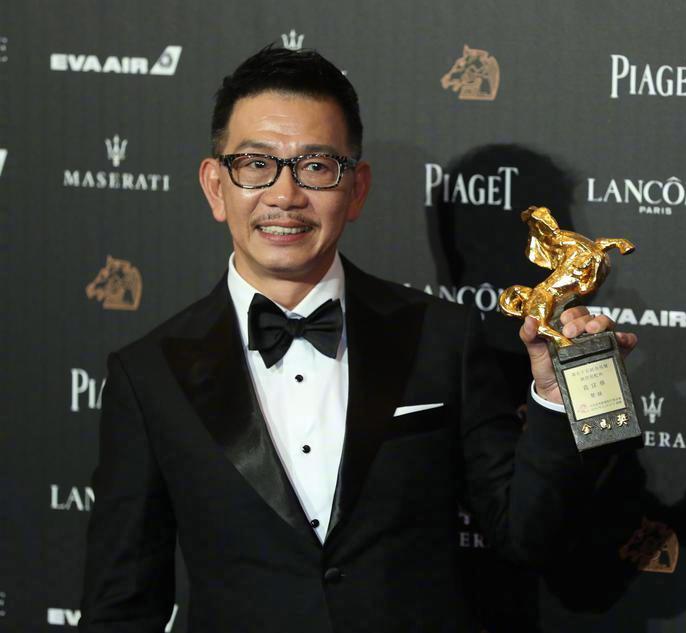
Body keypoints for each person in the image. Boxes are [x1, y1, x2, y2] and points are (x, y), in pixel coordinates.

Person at [78, 46, 637, 633]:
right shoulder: (149, 375)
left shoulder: (442, 337)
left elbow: (526, 536)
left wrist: (555, 398)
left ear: (357, 188)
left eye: (316, 166)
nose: (285, 195)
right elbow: (122, 606)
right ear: (216, 186)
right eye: (256, 164)